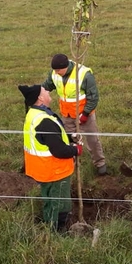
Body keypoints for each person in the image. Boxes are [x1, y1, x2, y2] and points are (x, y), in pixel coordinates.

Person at [18, 84, 83, 232]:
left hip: (42, 169)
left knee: (49, 200)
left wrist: (70, 137)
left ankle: (49, 225)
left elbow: (49, 139)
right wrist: (76, 150)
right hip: (55, 171)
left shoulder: (34, 115)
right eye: (44, 91)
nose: (48, 91)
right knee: (60, 204)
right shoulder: (44, 121)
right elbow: (59, 150)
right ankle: (57, 232)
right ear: (40, 98)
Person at [41, 53, 107, 176]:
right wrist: (35, 93)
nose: (56, 72)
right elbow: (46, 87)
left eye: (58, 70)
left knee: (92, 140)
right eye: (54, 70)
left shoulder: (84, 74)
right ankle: (72, 163)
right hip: (66, 114)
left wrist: (86, 114)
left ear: (66, 67)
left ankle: (100, 163)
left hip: (84, 114)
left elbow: (93, 97)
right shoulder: (54, 74)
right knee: (69, 140)